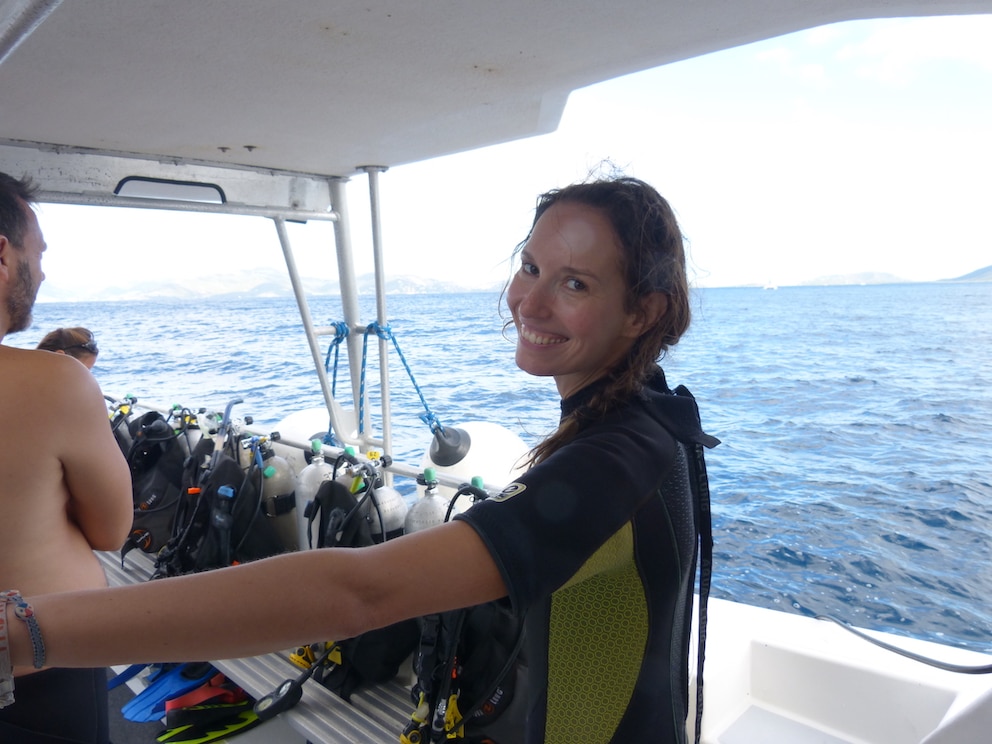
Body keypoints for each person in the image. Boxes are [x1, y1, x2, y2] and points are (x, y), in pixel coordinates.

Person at [3, 175, 718, 744]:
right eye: (531, 267)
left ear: (643, 312)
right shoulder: (644, 420)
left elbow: (360, 595)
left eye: (576, 283)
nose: (529, 300)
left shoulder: (616, 458)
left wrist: (29, 635)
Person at [0, 173, 133, 743]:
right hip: (38, 678)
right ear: (2, 253)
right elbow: (111, 529)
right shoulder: (55, 383)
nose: (44, 270)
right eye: (39, 251)